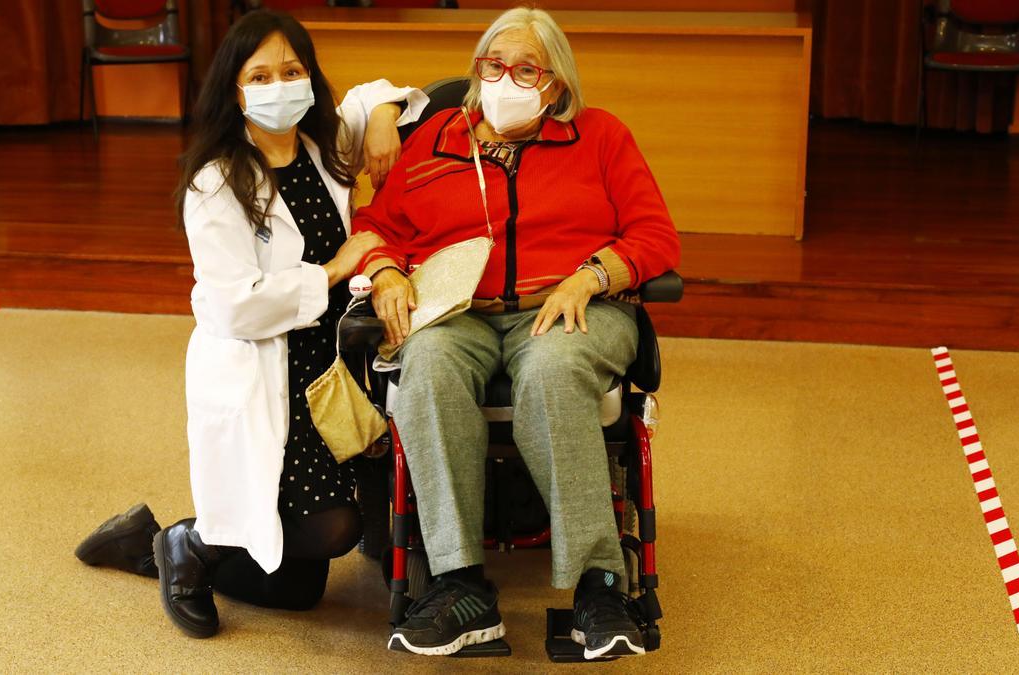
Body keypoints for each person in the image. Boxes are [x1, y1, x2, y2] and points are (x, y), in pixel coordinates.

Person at [74, 10, 428, 639]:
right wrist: (331, 270)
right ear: (233, 90)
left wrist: (378, 117)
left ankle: (154, 540)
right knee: (331, 530)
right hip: (266, 367)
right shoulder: (216, 182)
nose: (279, 86)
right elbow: (239, 306)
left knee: (295, 590)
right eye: (259, 75)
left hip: (330, 364)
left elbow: (383, 92)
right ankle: (184, 543)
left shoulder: (324, 145)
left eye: (292, 71)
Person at [351, 7, 680, 660]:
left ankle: (600, 582)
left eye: (524, 68)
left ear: (554, 83)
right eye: (493, 65)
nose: (505, 79)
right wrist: (384, 269)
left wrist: (591, 275)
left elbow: (655, 237)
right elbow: (375, 221)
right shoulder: (438, 138)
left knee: (553, 371)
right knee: (430, 368)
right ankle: (457, 582)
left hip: (569, 308)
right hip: (457, 312)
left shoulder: (601, 137)